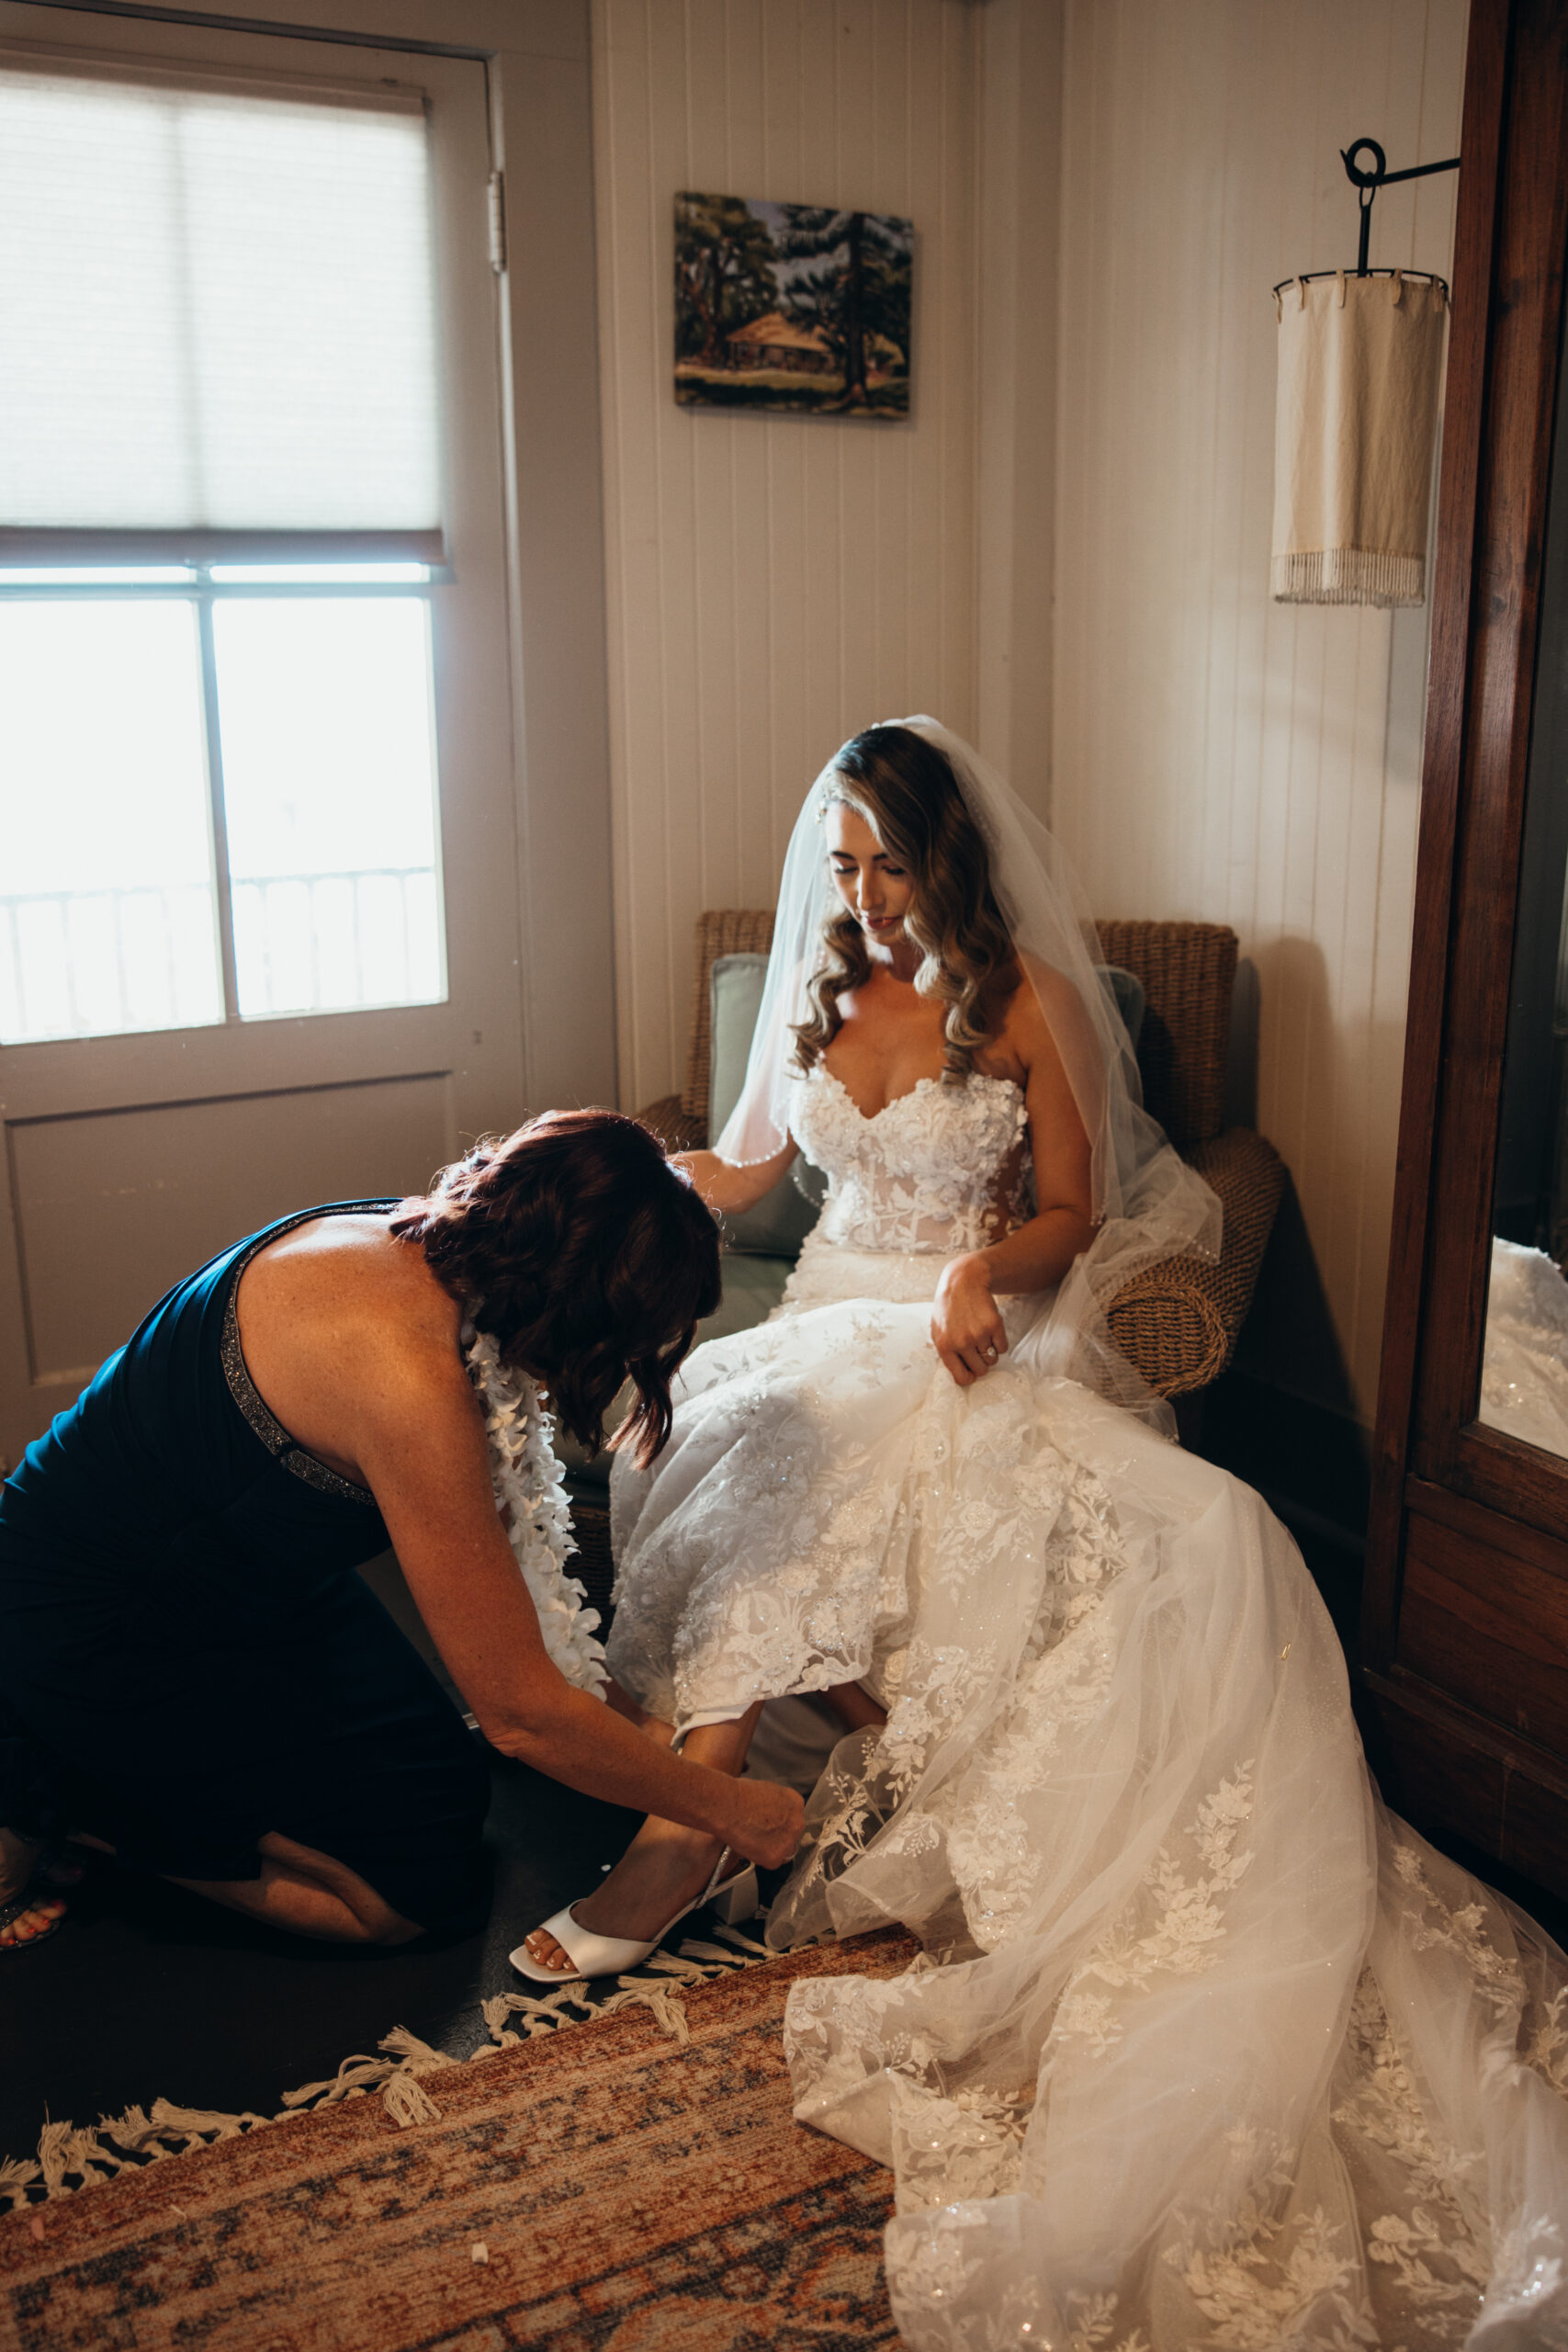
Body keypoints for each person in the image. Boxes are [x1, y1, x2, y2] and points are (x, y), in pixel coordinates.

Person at [522, 725, 1568, 2350]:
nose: (857, 899)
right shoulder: (817, 983)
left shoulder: (1031, 1005)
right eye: (841, 868)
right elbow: (742, 1165)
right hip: (811, 1324)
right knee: (750, 1445)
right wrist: (620, 1185)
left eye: (884, 867)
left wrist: (974, 1276)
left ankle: (691, 1825)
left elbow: (1076, 1207)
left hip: (959, 1328)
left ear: (947, 857)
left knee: (1194, 1532)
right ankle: (709, 1806)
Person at [0, 1110, 802, 1954]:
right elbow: (519, 1716)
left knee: (443, 1794)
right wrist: (732, 1809)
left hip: (249, 1585)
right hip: (97, 1624)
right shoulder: (407, 1381)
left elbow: (512, 1578)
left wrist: (645, 1734)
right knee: (407, 1897)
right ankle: (64, 1799)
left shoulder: (431, 1238)